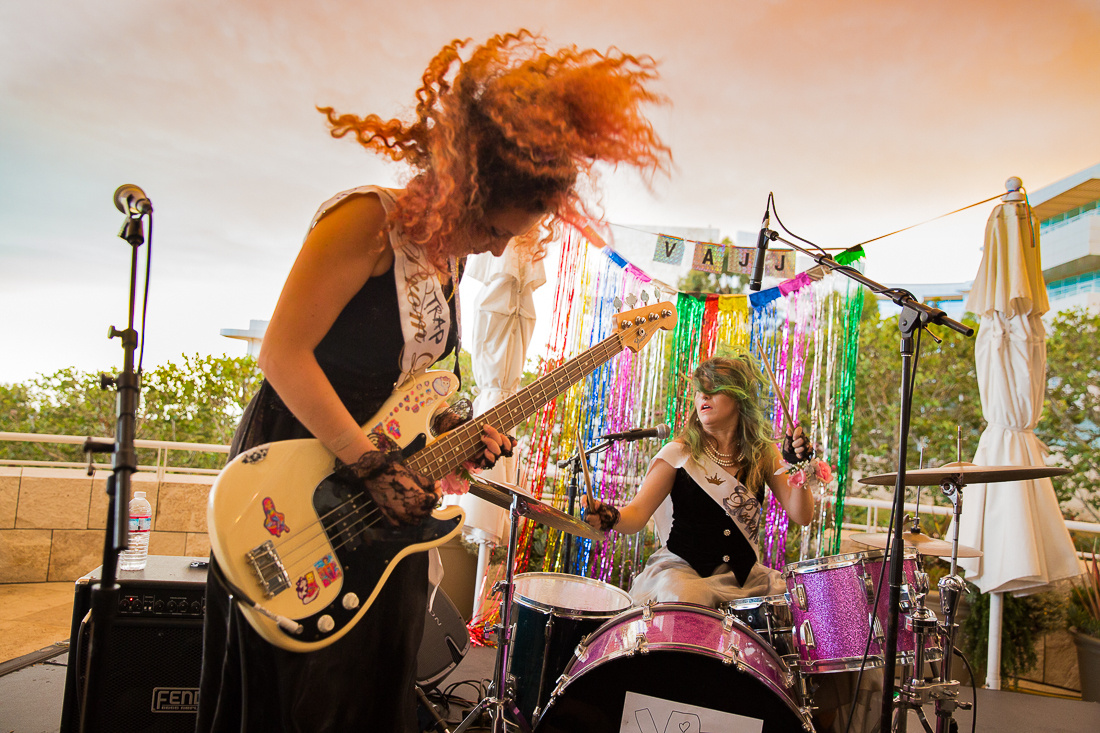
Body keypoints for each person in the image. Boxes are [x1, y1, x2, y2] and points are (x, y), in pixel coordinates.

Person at [196, 29, 670, 733]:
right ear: (462, 184)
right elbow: (283, 354)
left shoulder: (448, 260)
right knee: (304, 694)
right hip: (303, 475)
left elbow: (405, 380)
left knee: (374, 680)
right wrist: (369, 463)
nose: (498, 245)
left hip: (380, 502)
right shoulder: (364, 219)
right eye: (493, 226)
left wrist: (450, 429)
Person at [585, 352, 814, 607]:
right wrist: (610, 516)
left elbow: (802, 515)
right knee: (687, 599)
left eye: (713, 388)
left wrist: (798, 466)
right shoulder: (678, 453)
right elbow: (637, 515)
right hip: (684, 574)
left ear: (739, 397)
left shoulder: (762, 452)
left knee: (794, 603)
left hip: (745, 580)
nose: (703, 395)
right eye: (699, 390)